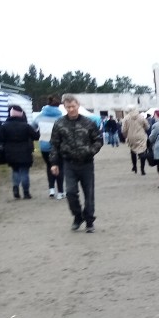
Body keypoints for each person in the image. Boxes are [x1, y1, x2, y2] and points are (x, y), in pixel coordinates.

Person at [49, 94, 103, 232]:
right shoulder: (59, 123)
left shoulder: (88, 123)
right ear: (64, 107)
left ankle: (89, 221)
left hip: (86, 163)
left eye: (73, 106)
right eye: (68, 107)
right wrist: (54, 163)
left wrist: (90, 151)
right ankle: (78, 216)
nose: (71, 109)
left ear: (78, 106)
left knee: (89, 194)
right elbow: (54, 144)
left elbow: (98, 140)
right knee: (70, 192)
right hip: (69, 163)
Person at [0, 105, 40, 199]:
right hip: (25, 152)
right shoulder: (26, 126)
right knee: (24, 172)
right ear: (21, 115)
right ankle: (26, 193)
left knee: (15, 171)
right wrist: (39, 130)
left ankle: (16, 187)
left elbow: (0, 138)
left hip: (10, 152)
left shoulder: (5, 126)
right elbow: (36, 137)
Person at [33, 95, 65, 199]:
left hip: (44, 146)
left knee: (49, 166)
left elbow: (33, 126)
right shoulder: (61, 117)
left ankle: (51, 189)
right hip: (58, 147)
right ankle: (60, 192)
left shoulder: (40, 116)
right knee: (59, 167)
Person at [122, 106, 149, 175]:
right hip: (141, 136)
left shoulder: (126, 118)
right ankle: (142, 169)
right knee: (142, 151)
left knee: (133, 150)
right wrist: (144, 130)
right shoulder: (141, 117)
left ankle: (134, 166)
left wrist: (126, 136)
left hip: (131, 136)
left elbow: (124, 130)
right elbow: (147, 126)